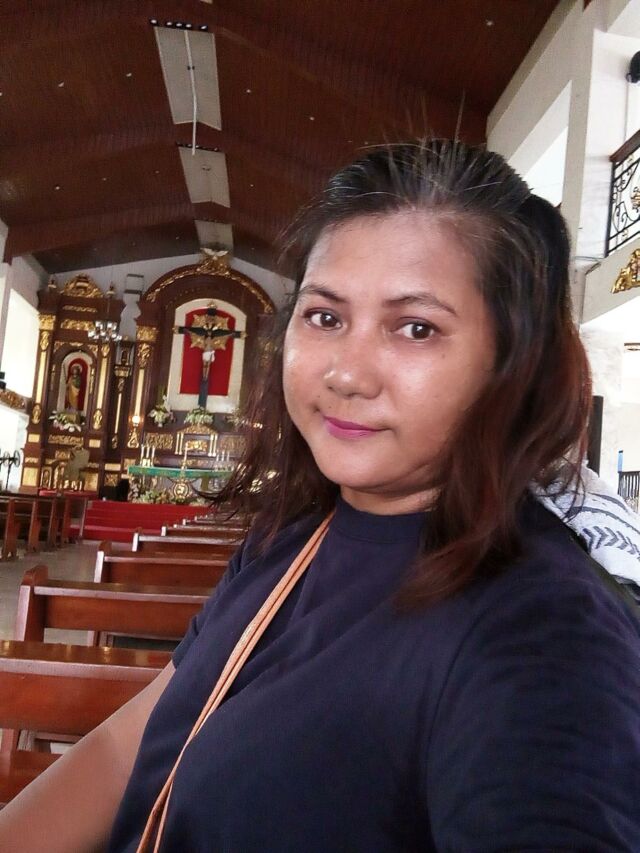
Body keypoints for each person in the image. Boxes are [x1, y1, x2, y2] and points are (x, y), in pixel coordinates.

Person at [1, 140, 638, 852]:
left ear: (513, 361)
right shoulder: (289, 539)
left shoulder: (545, 632)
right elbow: (130, 747)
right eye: (326, 317)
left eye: (416, 328)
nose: (346, 374)